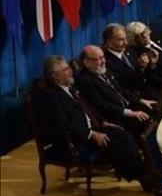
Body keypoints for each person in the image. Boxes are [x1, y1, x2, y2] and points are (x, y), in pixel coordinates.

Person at [37, 55, 146, 187]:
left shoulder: (71, 87)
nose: (71, 71)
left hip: (94, 127)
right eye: (65, 69)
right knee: (115, 145)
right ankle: (144, 178)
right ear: (55, 76)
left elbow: (88, 108)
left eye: (69, 67)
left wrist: (102, 122)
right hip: (77, 138)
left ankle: (143, 171)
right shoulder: (51, 96)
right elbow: (63, 123)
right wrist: (91, 134)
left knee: (125, 136)